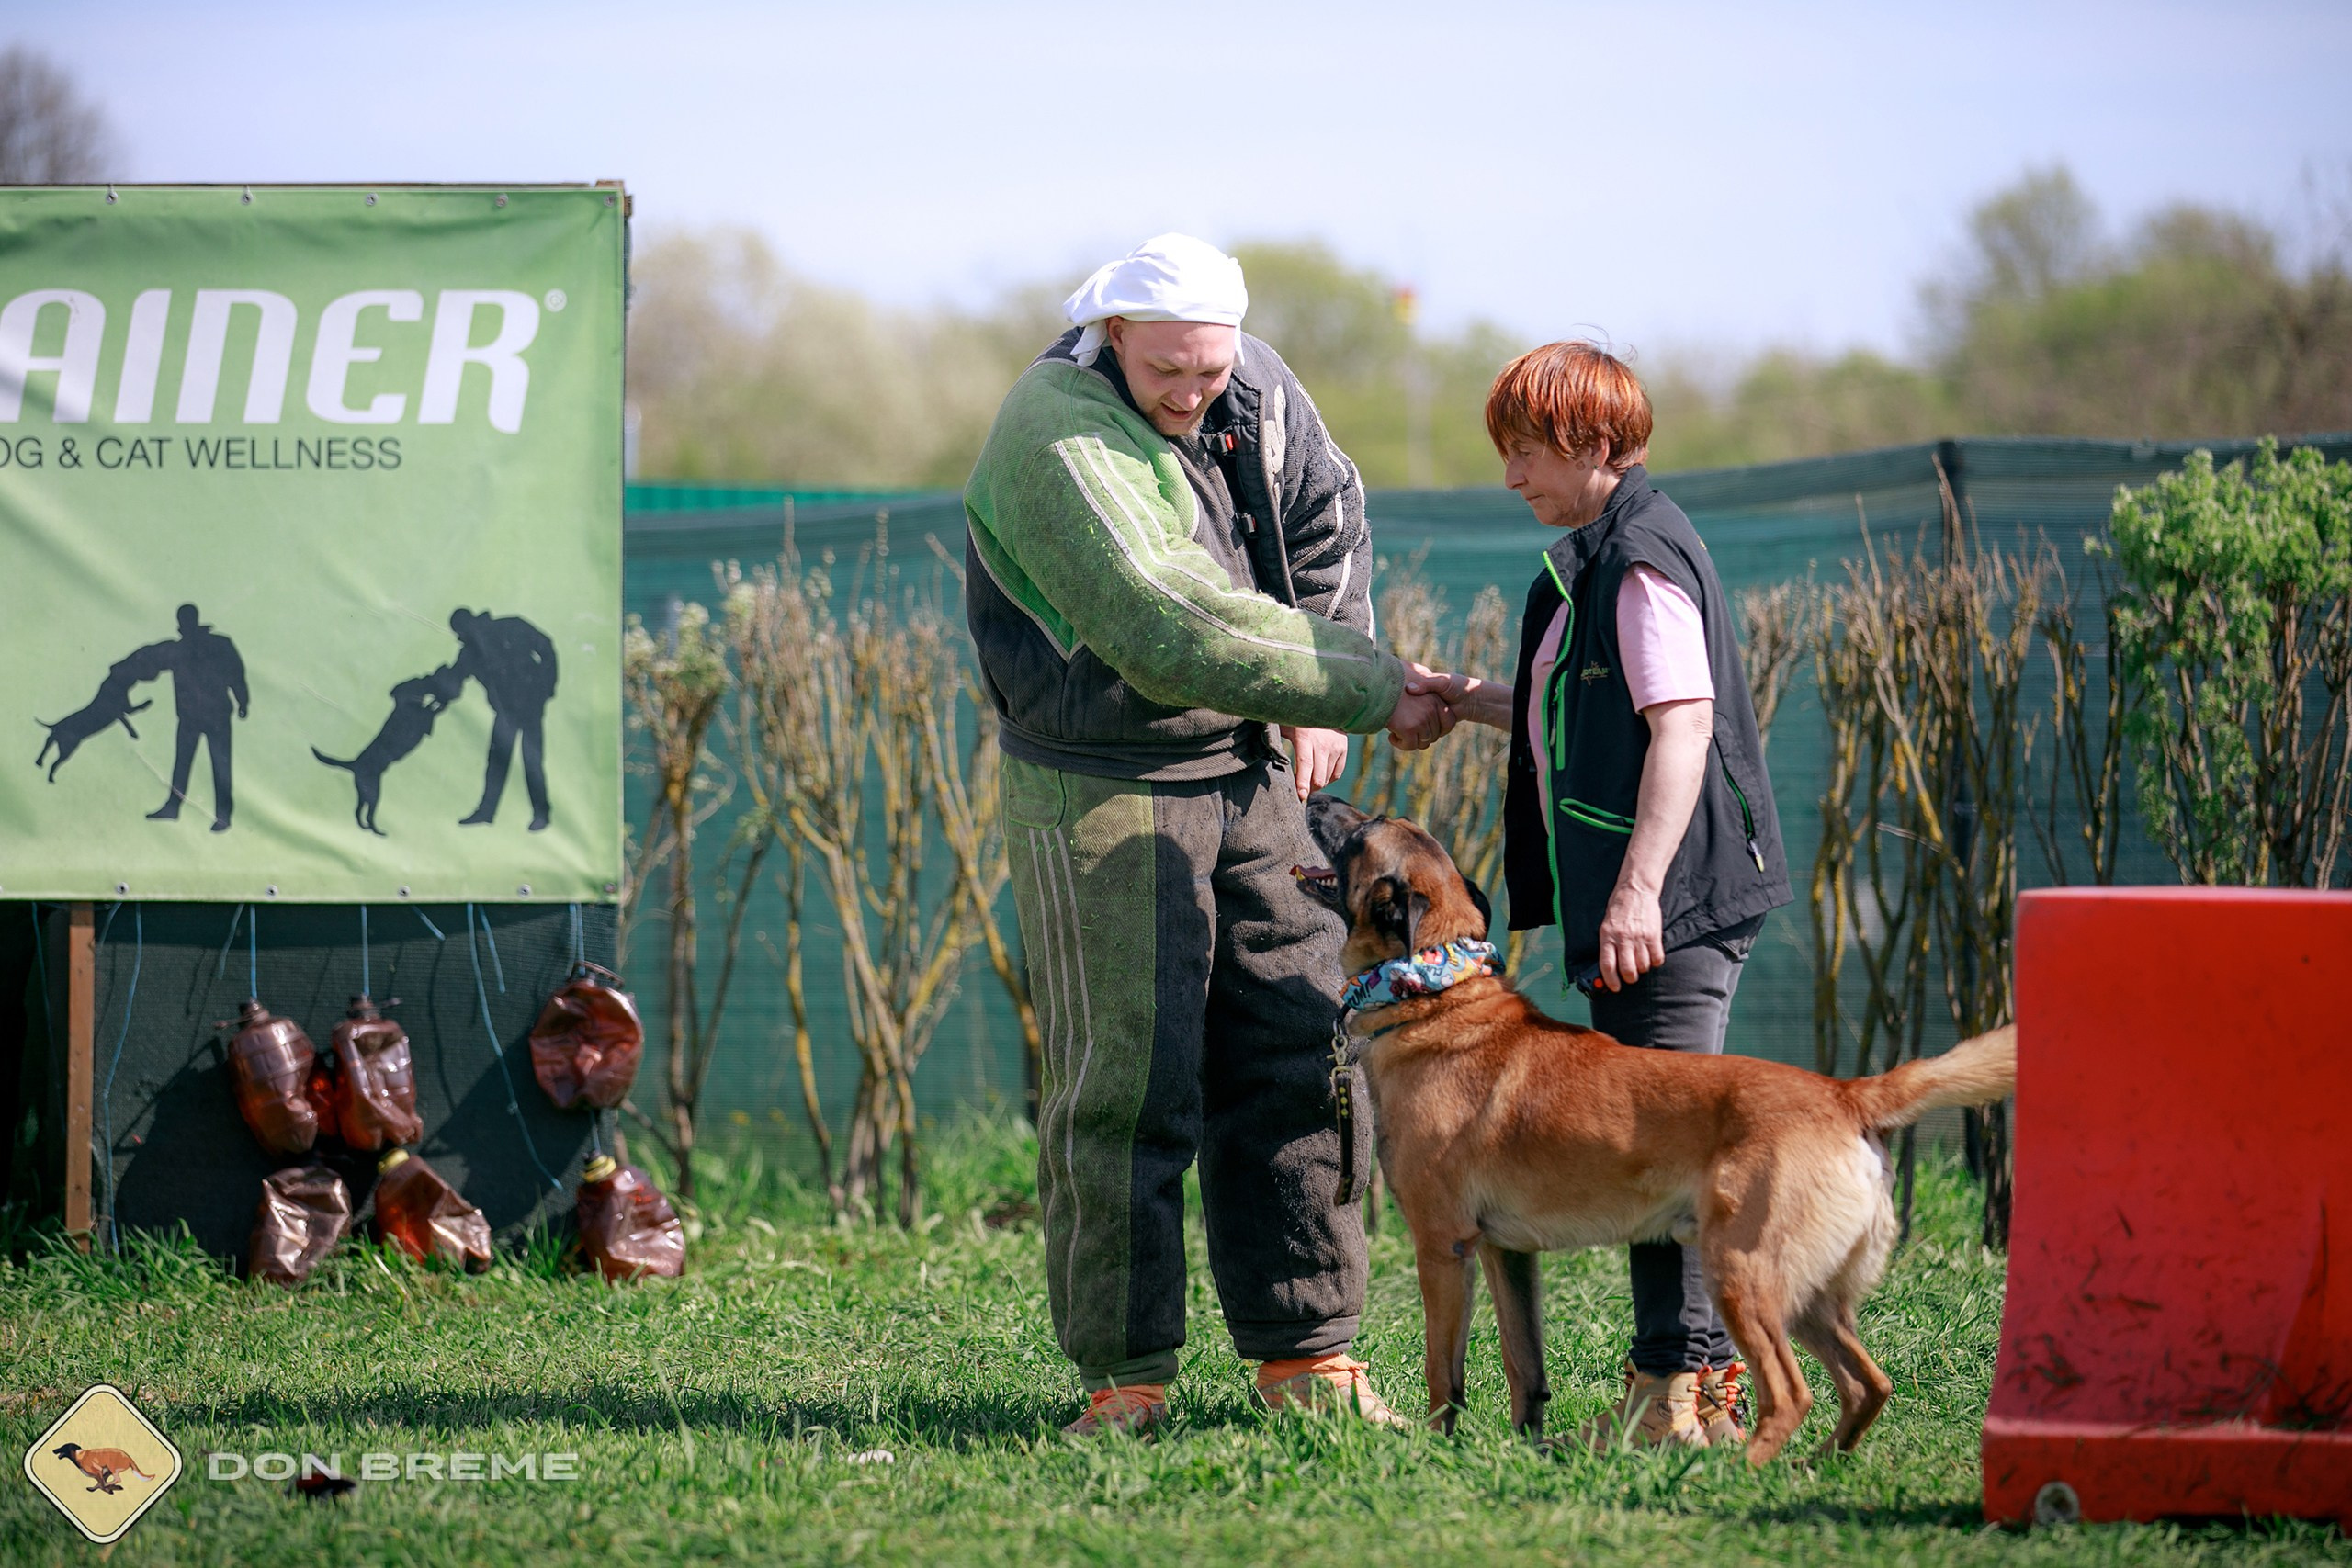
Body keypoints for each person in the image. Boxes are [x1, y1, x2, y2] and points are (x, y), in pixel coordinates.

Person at [964, 233, 1453, 1436]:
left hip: (1249, 768)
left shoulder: (1257, 386)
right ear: (1113, 335)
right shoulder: (1058, 434)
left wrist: (1314, 678)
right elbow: (1169, 619)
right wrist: (1360, 682)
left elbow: (1328, 519)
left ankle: (1310, 1355)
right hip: (1105, 782)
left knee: (1301, 1049)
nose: (1195, 393)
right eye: (1171, 370)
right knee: (1124, 1085)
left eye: (1211, 369)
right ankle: (1125, 1376)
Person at [1418, 341, 1792, 1449]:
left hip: (1668, 909)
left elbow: (1680, 726)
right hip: (1649, 907)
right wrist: (1464, 699)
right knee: (1658, 1145)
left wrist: (1637, 895)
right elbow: (1576, 711)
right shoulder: (1604, 551)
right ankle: (1685, 1392)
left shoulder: (1635, 560)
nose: (1511, 475)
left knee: (1663, 1152)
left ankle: (1676, 1400)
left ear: (1594, 444)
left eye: (1526, 451)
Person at [447, 608, 558, 830]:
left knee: (532, 760)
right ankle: (487, 812)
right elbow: (452, 680)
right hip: (506, 710)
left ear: (474, 622)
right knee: (497, 760)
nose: (465, 636)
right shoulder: (470, 652)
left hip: (530, 704)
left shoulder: (511, 626)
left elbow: (546, 647)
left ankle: (541, 814)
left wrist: (546, 687)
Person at [144, 604, 248, 832]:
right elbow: (150, 663)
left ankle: (221, 816)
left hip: (212, 715)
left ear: (182, 622)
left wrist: (243, 700)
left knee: (214, 764)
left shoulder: (208, 645)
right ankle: (179, 808)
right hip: (196, 716)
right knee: (188, 763)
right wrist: (242, 701)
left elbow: (236, 672)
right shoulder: (192, 647)